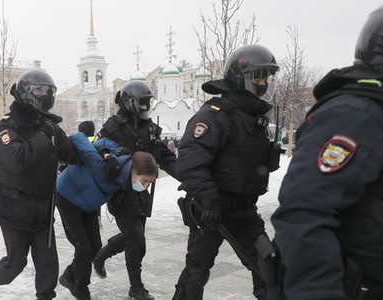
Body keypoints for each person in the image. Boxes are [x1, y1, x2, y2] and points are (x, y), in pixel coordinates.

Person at [270, 6, 383, 300]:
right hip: (357, 284)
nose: (261, 83)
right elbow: (305, 213)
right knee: (199, 265)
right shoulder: (356, 114)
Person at [172, 44, 281, 300]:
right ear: (239, 77)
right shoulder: (215, 115)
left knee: (270, 266)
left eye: (267, 77)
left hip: (244, 211)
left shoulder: (253, 117)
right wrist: (209, 201)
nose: (264, 83)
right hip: (212, 211)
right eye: (259, 76)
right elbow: (190, 160)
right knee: (196, 273)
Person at [0, 69, 79, 300]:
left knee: (47, 262)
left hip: (43, 207)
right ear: (25, 93)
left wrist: (103, 151)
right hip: (14, 207)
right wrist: (43, 134)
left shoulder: (49, 126)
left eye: (47, 90)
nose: (43, 94)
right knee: (15, 263)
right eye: (38, 90)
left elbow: (71, 153)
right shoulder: (8, 126)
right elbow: (18, 160)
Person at [92, 80, 177, 300]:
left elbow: (163, 155)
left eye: (148, 102)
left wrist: (187, 176)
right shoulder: (113, 125)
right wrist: (109, 154)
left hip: (142, 191)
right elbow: (96, 149)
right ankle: (136, 287)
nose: (145, 107)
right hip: (121, 193)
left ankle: (101, 255)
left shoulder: (149, 127)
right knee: (137, 241)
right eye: (141, 103)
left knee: (131, 237)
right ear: (129, 102)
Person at [57, 131, 158, 300]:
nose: (146, 186)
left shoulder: (127, 164)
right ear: (134, 172)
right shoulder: (108, 170)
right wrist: (105, 154)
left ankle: (69, 276)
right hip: (68, 198)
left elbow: (103, 141)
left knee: (95, 247)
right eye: (145, 181)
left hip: (87, 203)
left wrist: (108, 150)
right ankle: (82, 292)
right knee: (84, 247)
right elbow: (78, 138)